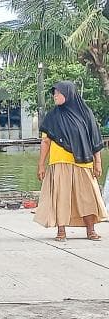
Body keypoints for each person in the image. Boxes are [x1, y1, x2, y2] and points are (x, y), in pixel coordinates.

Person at [35, 81, 107, 241]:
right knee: (61, 197)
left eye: (58, 93)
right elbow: (45, 142)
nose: (55, 96)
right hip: (59, 162)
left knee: (87, 197)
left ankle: (91, 230)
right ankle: (61, 231)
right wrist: (41, 164)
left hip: (83, 162)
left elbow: (95, 139)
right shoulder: (52, 116)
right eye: (54, 93)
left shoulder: (85, 113)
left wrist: (98, 162)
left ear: (68, 93)